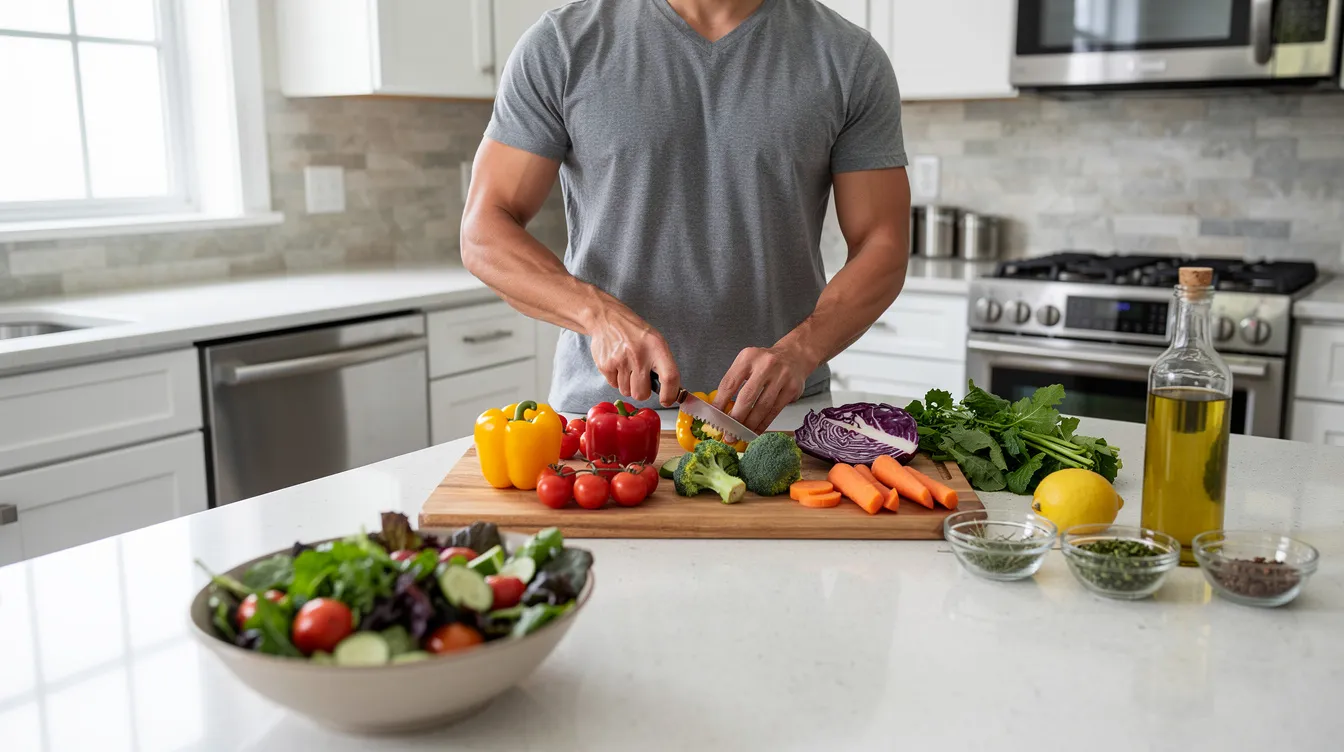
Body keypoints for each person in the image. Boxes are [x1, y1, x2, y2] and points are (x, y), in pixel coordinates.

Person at [461, 0, 910, 434]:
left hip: (779, 417)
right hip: (601, 416)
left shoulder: (849, 58)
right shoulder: (561, 45)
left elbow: (882, 243)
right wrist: (596, 315)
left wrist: (802, 349)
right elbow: (485, 228)